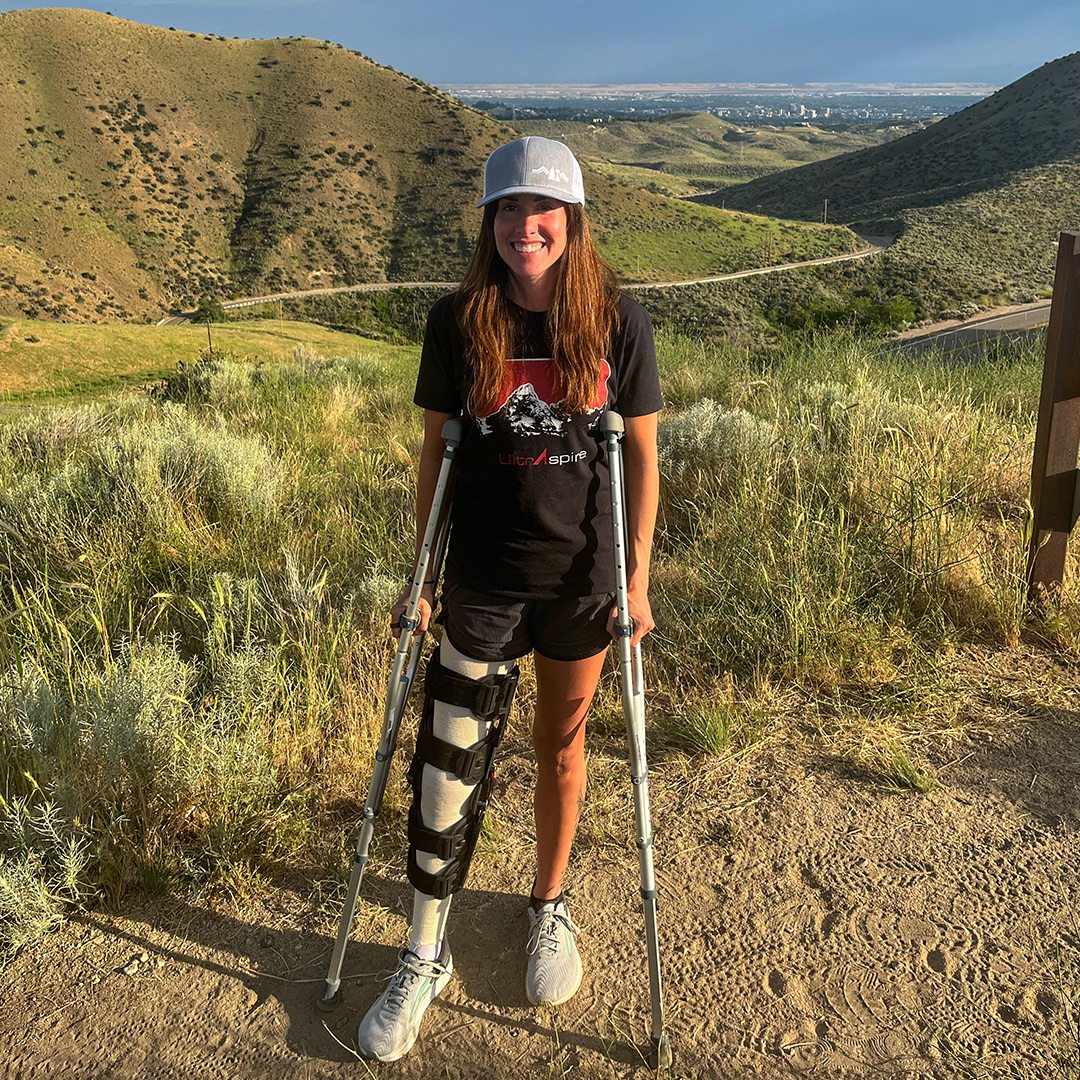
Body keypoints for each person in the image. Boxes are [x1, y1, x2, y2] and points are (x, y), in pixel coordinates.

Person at [356, 136, 663, 1062]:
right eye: (507, 211)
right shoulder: (457, 322)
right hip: (483, 578)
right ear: (488, 224)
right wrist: (421, 576)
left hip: (582, 579)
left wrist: (638, 579)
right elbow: (434, 457)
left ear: (571, 223)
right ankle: (423, 950)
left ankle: (548, 905)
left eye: (544, 212)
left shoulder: (617, 321)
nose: (525, 227)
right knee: (450, 758)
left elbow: (641, 457)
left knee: (560, 750)